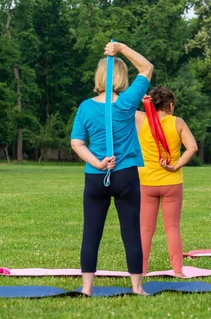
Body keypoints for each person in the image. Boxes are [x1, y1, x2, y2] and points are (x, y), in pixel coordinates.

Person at [70, 42, 153, 296]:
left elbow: (76, 142)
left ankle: (86, 288)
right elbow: (147, 67)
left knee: (91, 232)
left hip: (95, 177)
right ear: (122, 77)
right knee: (131, 232)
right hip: (125, 174)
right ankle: (137, 288)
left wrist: (97, 163)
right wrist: (121, 48)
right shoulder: (127, 101)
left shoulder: (85, 107)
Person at [135, 86, 198, 276]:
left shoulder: (141, 119)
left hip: (146, 181)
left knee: (145, 229)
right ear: (170, 105)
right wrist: (176, 166)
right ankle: (178, 270)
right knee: (172, 228)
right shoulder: (177, 122)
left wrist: (143, 101)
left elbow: (122, 104)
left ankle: (141, 270)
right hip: (172, 181)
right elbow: (192, 148)